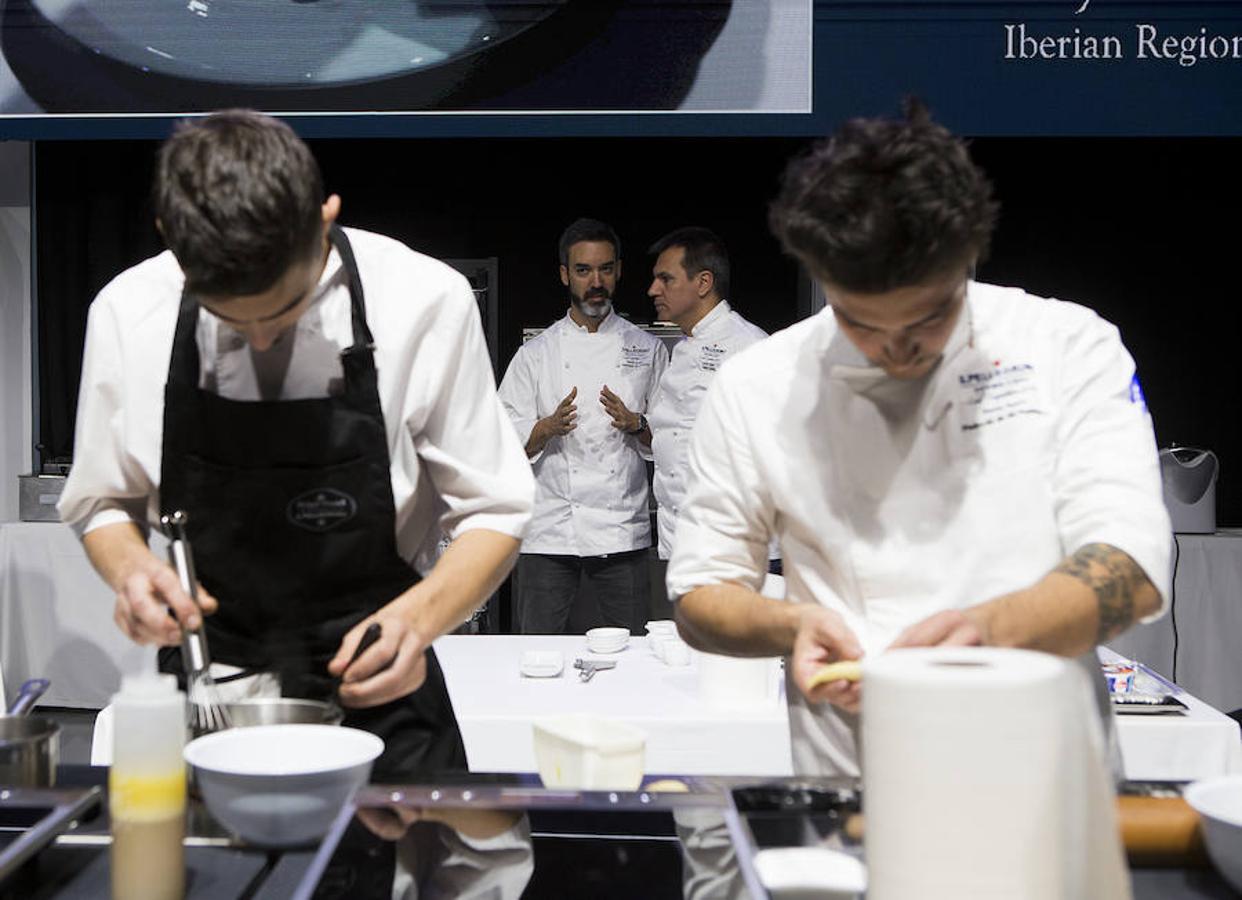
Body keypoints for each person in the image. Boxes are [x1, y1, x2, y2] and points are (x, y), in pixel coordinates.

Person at [666, 102, 1172, 776]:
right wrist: (792, 625)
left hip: (1045, 766)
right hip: (855, 775)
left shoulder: (1066, 345)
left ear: (968, 260)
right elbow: (701, 593)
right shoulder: (757, 384)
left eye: (929, 320)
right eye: (861, 324)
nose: (896, 351)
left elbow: (1129, 566)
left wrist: (987, 631)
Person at [58, 109, 534, 780]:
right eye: (230, 320)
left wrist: (418, 622)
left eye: (284, 313)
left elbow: (495, 510)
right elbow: (103, 500)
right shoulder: (127, 311)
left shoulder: (424, 300)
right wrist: (134, 574)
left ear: (324, 215)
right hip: (209, 683)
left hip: (382, 675)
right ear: (171, 237)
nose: (259, 343)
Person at [497, 218, 668, 634]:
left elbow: (672, 439)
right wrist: (546, 428)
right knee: (538, 649)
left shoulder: (648, 350)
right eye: (584, 270)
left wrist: (636, 423)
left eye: (605, 269)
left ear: (619, 272)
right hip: (551, 530)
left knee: (632, 655)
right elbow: (500, 443)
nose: (596, 281)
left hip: (621, 529)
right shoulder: (536, 355)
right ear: (564, 275)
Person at [645, 227, 770, 563]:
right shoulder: (683, 350)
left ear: (703, 283)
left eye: (666, 279)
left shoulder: (750, 348)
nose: (653, 289)